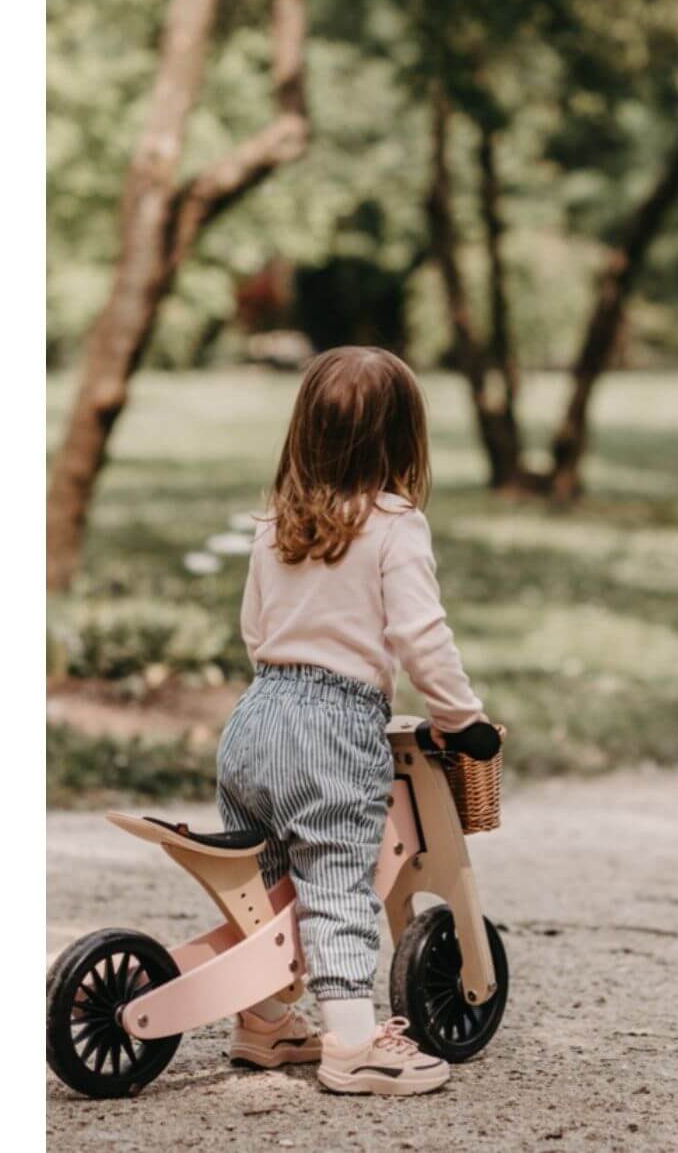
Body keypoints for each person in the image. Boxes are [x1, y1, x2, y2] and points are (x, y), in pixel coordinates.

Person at [215, 347, 487, 1096]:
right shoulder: (396, 524)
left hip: (256, 716)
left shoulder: (277, 523)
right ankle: (354, 1044)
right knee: (338, 879)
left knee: (268, 885)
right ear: (404, 439)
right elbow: (421, 637)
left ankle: (266, 1021)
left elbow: (253, 627)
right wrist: (463, 720)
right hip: (331, 729)